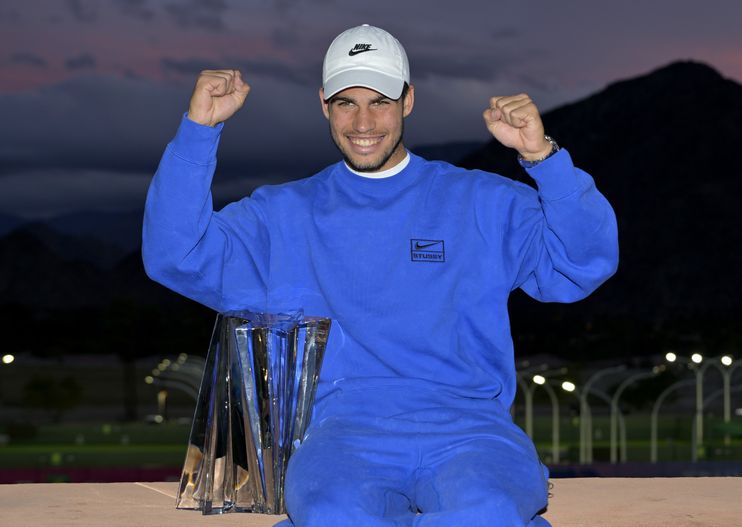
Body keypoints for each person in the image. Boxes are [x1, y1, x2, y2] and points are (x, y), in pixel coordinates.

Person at [143, 24, 617, 527]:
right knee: (331, 513)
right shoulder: (282, 214)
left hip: (472, 429)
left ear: (408, 100)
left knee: (487, 510)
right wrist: (199, 130)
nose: (363, 121)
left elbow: (582, 263)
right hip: (342, 433)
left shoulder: (482, 200)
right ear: (324, 102)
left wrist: (542, 157)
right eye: (346, 102)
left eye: (381, 101)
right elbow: (176, 254)